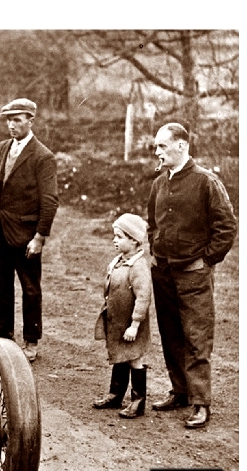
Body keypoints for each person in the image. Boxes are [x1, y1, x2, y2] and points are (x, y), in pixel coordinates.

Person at [147, 122, 237, 428]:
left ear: (181, 146)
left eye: (161, 146)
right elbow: (152, 224)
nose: (156, 151)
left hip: (193, 275)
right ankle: (180, 391)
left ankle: (201, 403)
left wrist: (206, 261)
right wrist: (155, 250)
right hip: (163, 273)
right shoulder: (159, 183)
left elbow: (226, 227)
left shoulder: (206, 182)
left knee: (197, 338)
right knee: (170, 334)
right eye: (156, 146)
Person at [0, 98, 58, 362]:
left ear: (30, 120)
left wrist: (40, 236)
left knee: (30, 289)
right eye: (8, 120)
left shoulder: (42, 156)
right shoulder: (3, 148)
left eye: (17, 120)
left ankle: (31, 341)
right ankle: (3, 338)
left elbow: (50, 200)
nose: (12, 125)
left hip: (26, 236)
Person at [93, 214, 152, 418]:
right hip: (118, 322)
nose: (114, 240)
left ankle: (138, 401)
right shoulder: (118, 261)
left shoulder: (138, 266)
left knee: (134, 358)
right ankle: (115, 394)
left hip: (131, 325)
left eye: (119, 237)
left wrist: (135, 324)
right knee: (119, 356)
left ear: (134, 241)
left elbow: (143, 297)